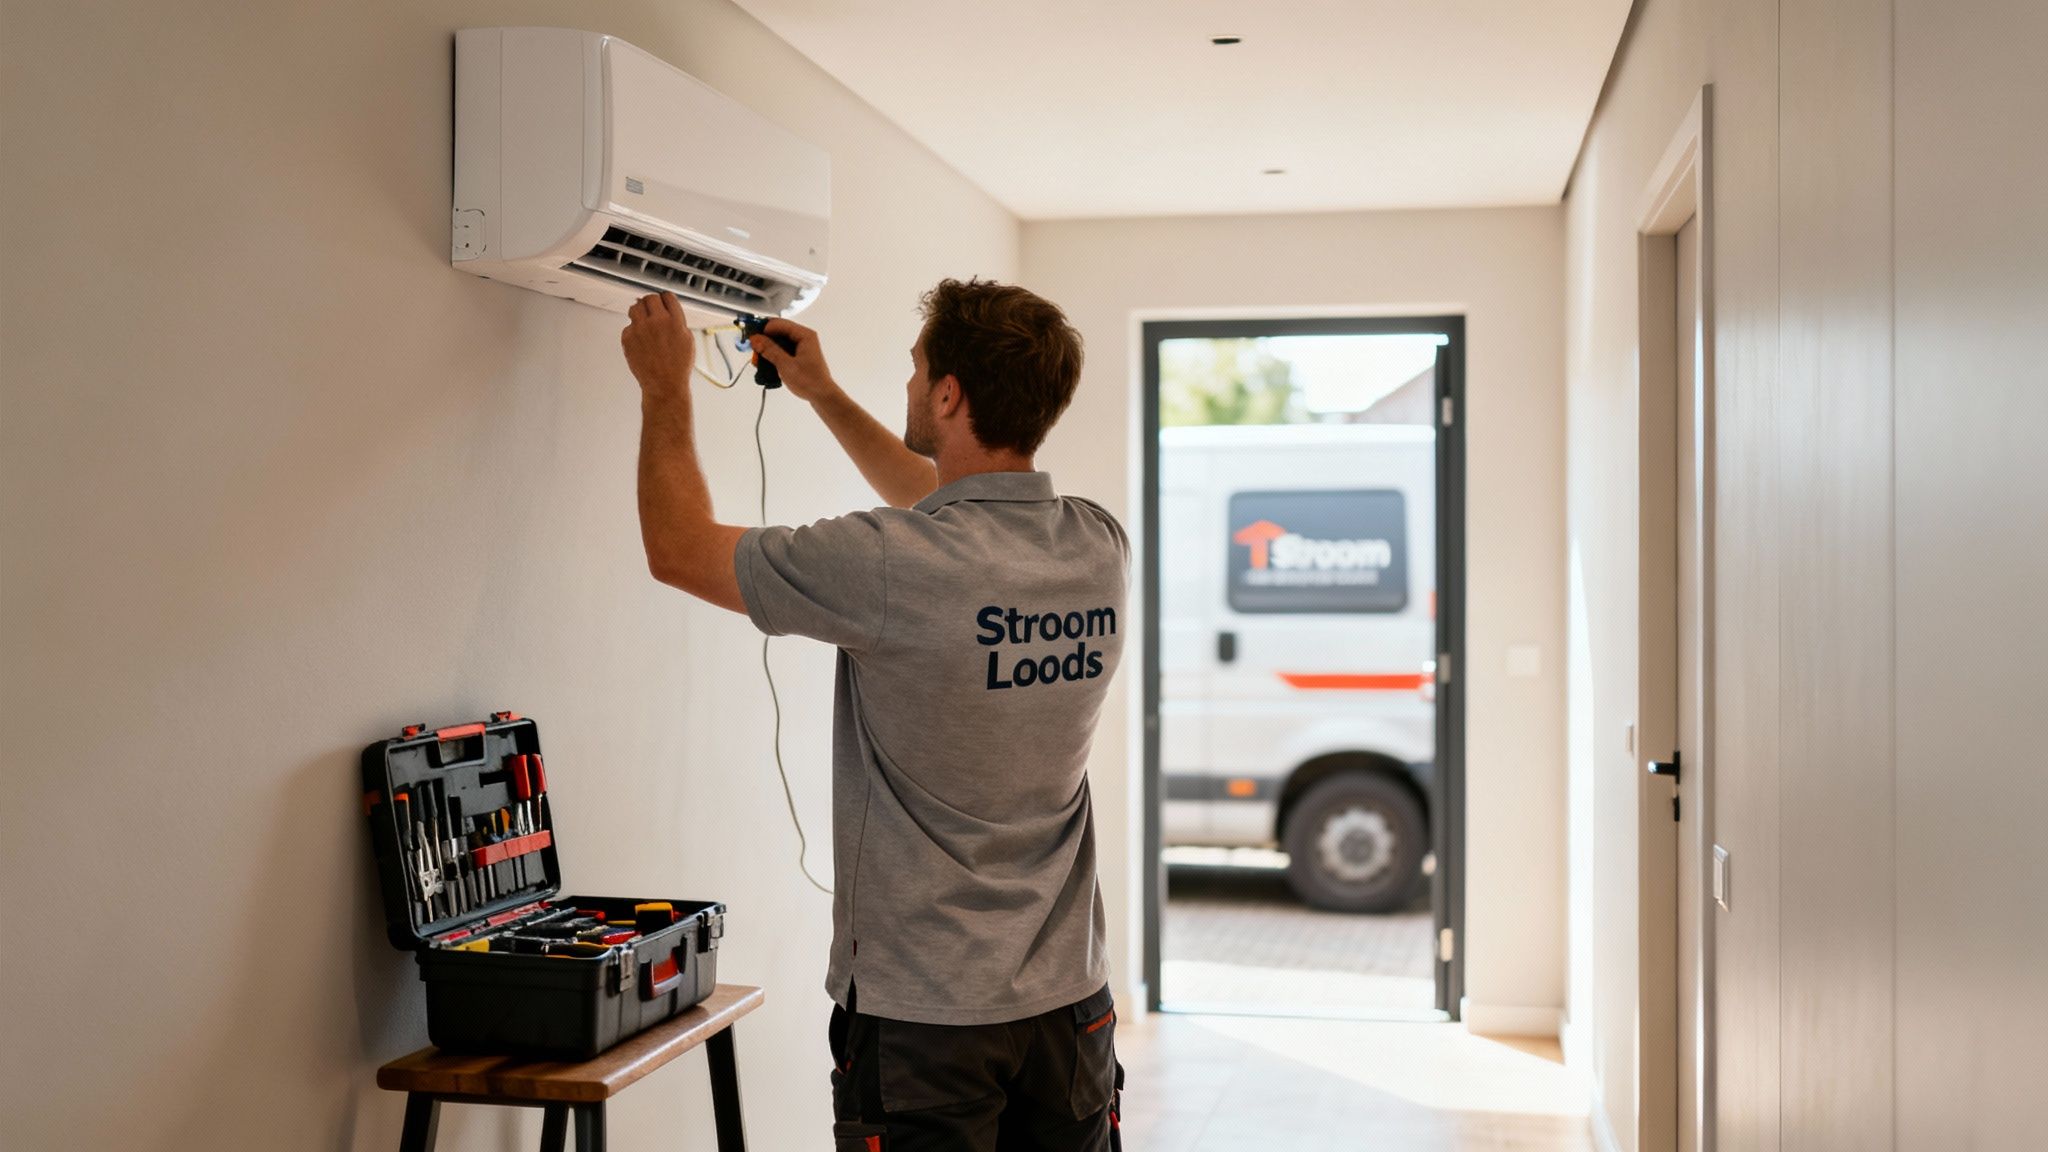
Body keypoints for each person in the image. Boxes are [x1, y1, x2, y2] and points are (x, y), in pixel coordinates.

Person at [621, 278, 1128, 1150]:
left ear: (947, 395)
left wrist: (665, 387)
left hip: (927, 1022)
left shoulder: (891, 565)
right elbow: (948, 505)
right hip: (1069, 1007)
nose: (907, 385)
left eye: (915, 369)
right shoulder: (1095, 543)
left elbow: (677, 549)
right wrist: (822, 394)